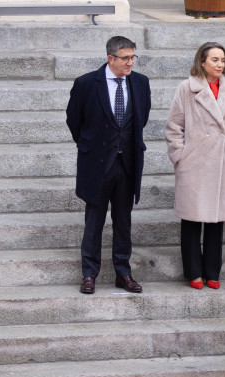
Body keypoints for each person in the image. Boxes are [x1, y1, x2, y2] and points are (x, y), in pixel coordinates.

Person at [66, 35, 151, 294]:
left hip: (127, 163)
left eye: (133, 57)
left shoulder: (140, 82)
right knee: (94, 221)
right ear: (110, 58)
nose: (130, 63)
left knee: (123, 221)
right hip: (97, 164)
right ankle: (89, 274)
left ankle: (122, 273)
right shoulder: (86, 83)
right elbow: (74, 120)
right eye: (125, 58)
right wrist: (90, 146)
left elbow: (142, 118)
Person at [165, 42, 225, 290]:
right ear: (202, 61)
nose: (220, 64)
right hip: (195, 162)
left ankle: (212, 271)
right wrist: (180, 155)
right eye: (214, 60)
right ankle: (193, 272)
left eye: (223, 60)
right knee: (192, 219)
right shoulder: (187, 89)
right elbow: (174, 125)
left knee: (216, 219)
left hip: (223, 161)